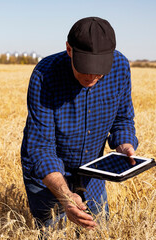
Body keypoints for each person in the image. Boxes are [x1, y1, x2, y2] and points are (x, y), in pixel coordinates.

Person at [20, 16, 138, 230]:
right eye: (86, 68)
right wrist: (65, 198)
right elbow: (40, 148)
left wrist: (125, 145)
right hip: (47, 173)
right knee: (53, 230)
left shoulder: (120, 67)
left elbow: (122, 118)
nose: (93, 76)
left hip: (92, 172)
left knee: (98, 229)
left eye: (100, 70)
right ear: (69, 49)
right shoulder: (44, 75)